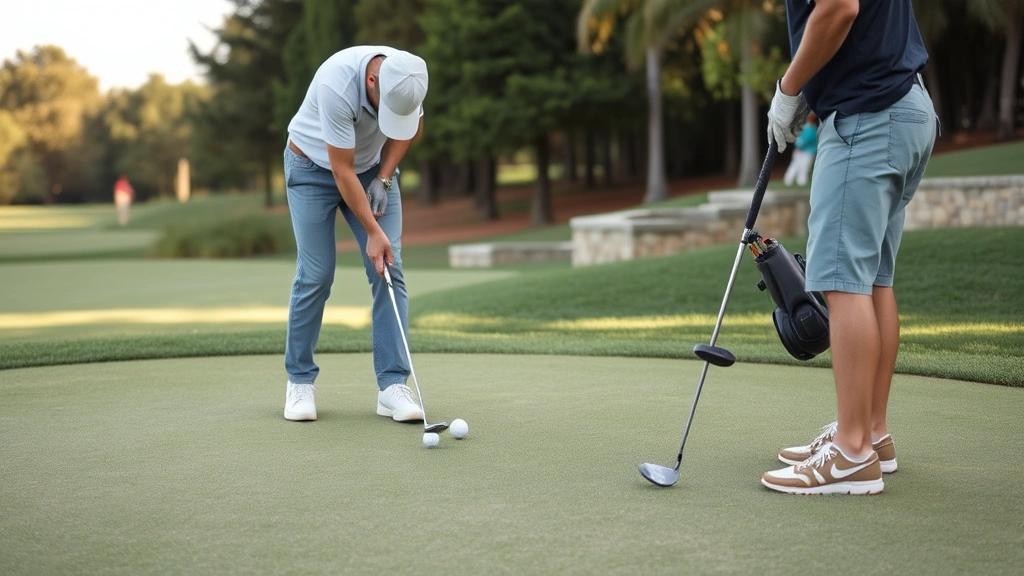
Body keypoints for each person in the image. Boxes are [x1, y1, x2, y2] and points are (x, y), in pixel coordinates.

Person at [761, 0, 937, 495]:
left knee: (843, 284)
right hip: (903, 106)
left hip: (869, 117)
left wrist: (788, 88)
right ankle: (870, 434)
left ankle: (852, 454)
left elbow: (839, 8)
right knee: (872, 280)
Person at [281, 46, 429, 423]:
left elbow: (411, 130)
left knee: (388, 268)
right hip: (312, 167)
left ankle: (393, 386)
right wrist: (372, 230)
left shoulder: (409, 75)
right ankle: (299, 381)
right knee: (317, 274)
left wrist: (383, 177)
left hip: (368, 169)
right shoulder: (337, 83)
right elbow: (341, 170)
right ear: (371, 81)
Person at [782, 113, 817, 187]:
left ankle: (794, 181)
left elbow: (802, 140)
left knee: (798, 166)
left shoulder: (809, 129)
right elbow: (804, 140)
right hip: (805, 152)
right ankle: (797, 181)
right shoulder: (811, 129)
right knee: (800, 167)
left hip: (806, 151)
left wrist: (798, 147)